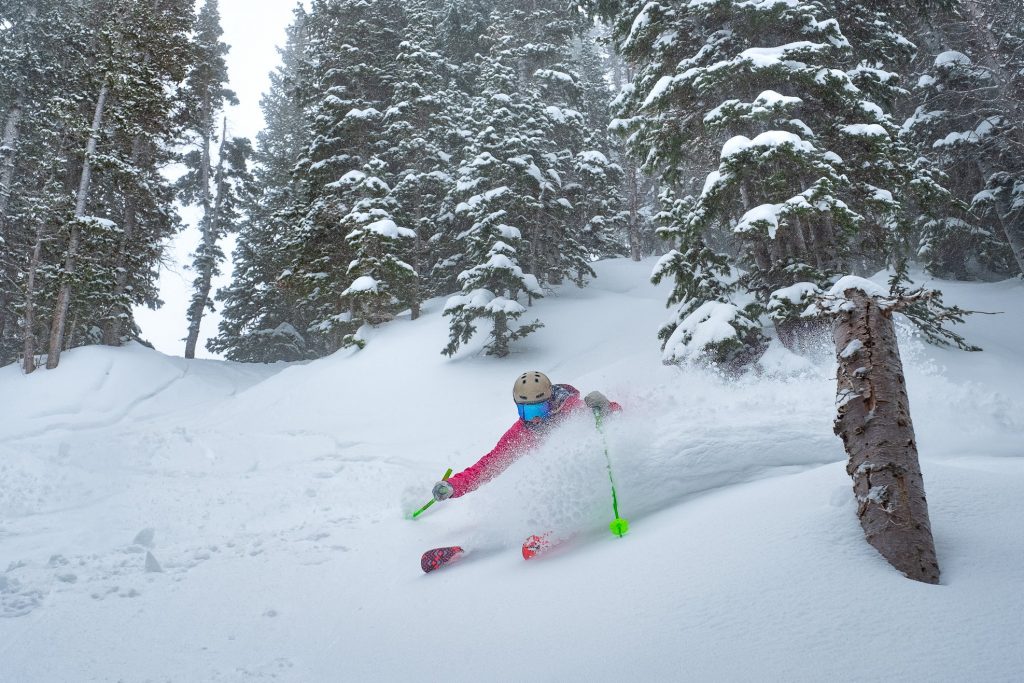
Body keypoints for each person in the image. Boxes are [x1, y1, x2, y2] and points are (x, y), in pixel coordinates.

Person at [430, 371, 621, 502]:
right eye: (526, 411)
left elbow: (619, 421)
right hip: (562, 488)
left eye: (539, 409)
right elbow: (488, 466)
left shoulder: (572, 410)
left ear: (550, 401)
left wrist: (605, 408)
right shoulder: (521, 433)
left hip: (597, 475)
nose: (535, 418)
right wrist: (454, 486)